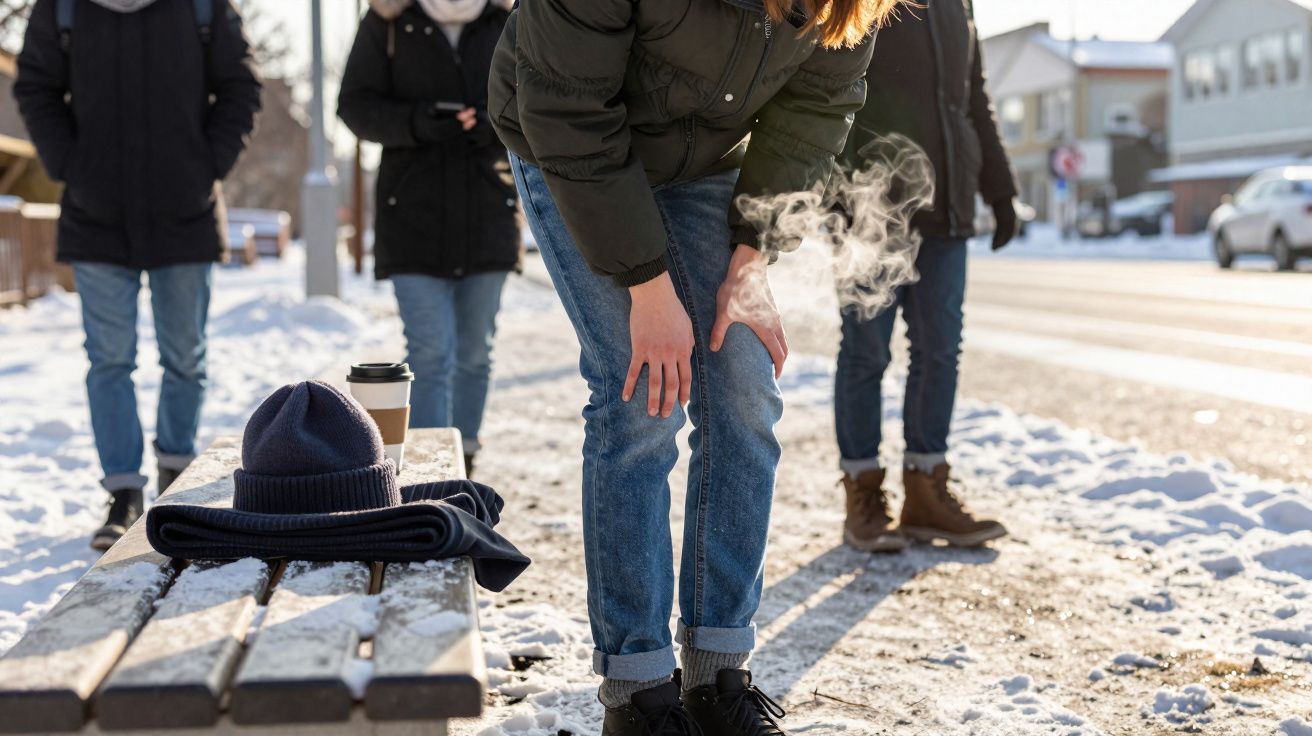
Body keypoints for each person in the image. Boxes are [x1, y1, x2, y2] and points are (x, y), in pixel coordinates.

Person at [489, 1, 899, 733]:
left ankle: (716, 676)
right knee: (641, 389)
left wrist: (753, 255)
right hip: (571, 141)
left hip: (704, 159)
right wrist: (647, 286)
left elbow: (818, 106)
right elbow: (567, 108)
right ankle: (638, 691)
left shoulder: (851, 3)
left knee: (744, 391)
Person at [14, 0, 260, 551]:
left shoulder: (204, 6)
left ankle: (176, 476)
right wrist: (70, 167)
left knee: (185, 355)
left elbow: (241, 87)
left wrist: (207, 164)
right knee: (109, 359)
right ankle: (123, 491)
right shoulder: (61, 8)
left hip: (186, 210)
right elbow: (36, 87)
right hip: (96, 212)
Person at [834, 0, 1019, 553]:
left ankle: (926, 489)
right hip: (869, 207)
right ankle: (863, 492)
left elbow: (973, 96)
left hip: (949, 205)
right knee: (867, 351)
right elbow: (824, 85)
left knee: (940, 351)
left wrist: (1000, 188)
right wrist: (832, 194)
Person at [338, 0, 519, 476]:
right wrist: (418, 122)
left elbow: (540, 101)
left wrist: (495, 122)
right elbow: (354, 106)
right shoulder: (390, 20)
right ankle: (434, 466)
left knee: (475, 351)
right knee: (431, 351)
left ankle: (468, 457)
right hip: (411, 218)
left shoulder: (509, 19)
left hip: (489, 211)